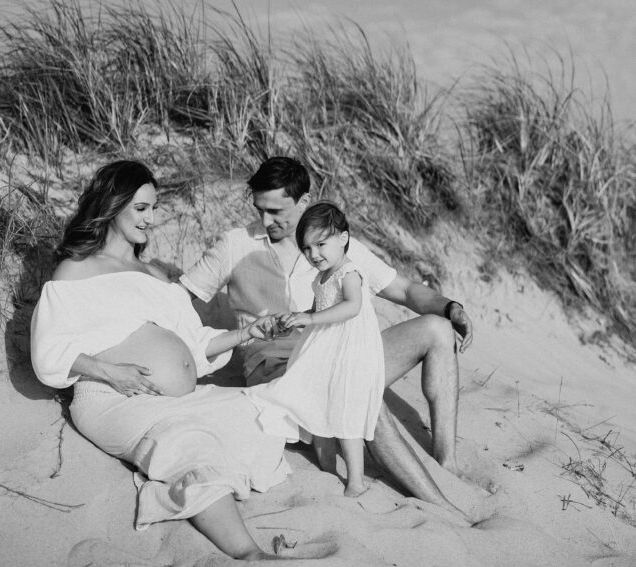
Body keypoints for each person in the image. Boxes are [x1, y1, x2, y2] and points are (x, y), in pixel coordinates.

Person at [31, 160, 293, 561]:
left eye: (154, 208)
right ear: (113, 204)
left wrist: (245, 334)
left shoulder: (153, 274)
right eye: (140, 208)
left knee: (264, 409)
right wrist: (109, 372)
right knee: (187, 443)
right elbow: (47, 350)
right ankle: (247, 553)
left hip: (173, 397)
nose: (151, 219)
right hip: (112, 398)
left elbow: (193, 345)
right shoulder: (77, 270)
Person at [180, 156, 474, 493]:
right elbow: (181, 297)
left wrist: (450, 307)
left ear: (304, 201)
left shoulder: (333, 243)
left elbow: (404, 289)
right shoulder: (235, 244)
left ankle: (446, 461)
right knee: (360, 393)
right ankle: (438, 503)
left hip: (339, 352)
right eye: (259, 209)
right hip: (279, 368)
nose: (265, 220)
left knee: (437, 328)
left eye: (276, 211)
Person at [249, 202, 385, 497]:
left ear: (343, 238)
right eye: (307, 249)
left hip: (349, 351)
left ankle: (356, 481)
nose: (314, 254)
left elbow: (352, 306)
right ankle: (326, 471)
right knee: (318, 407)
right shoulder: (321, 277)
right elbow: (321, 306)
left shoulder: (349, 272)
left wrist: (310, 318)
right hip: (324, 348)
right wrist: (299, 317)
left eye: (321, 244)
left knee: (346, 414)